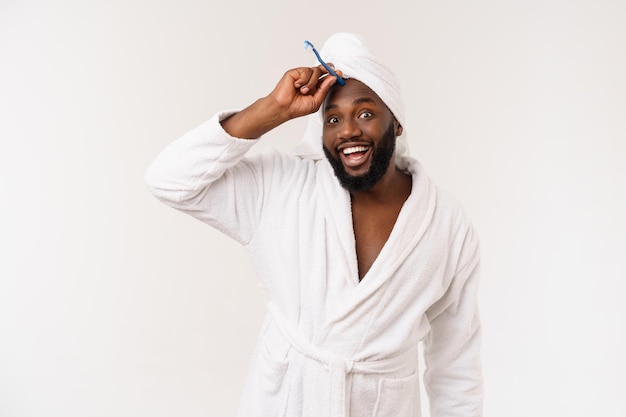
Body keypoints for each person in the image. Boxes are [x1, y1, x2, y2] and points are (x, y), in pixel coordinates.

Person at [145, 32, 482, 417]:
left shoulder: (447, 224)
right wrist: (271, 109)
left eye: (366, 113)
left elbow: (456, 366)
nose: (348, 130)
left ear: (397, 122)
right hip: (287, 400)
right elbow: (167, 179)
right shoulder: (281, 187)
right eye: (332, 118)